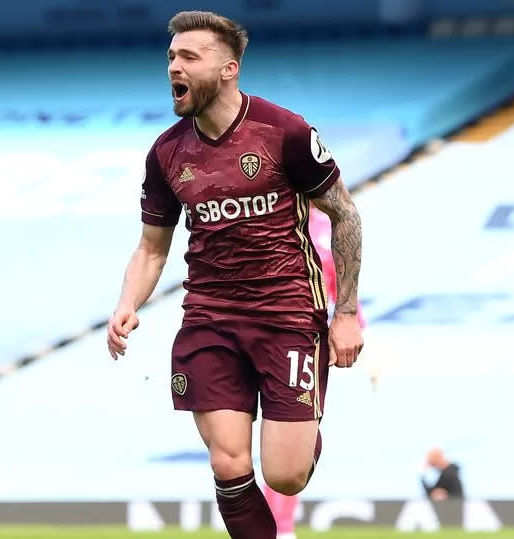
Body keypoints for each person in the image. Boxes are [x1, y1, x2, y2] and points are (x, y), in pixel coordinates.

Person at [106, 10, 364, 539]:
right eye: (171, 57)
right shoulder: (166, 153)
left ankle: (301, 423)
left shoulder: (285, 131)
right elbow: (152, 248)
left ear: (228, 69)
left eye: (188, 57)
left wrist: (348, 313)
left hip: (287, 312)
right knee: (228, 464)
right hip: (210, 317)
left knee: (286, 477)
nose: (174, 67)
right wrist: (127, 302)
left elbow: (345, 214)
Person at [263, 208, 377, 539]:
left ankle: (280, 526)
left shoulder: (323, 232)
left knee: (290, 435)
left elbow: (342, 292)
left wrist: (365, 347)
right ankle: (269, 524)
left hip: (301, 346)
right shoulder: (274, 216)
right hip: (266, 337)